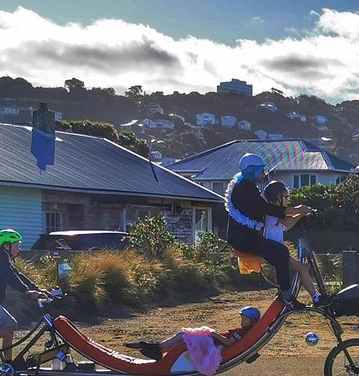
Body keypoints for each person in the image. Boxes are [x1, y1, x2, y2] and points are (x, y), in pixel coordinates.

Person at [224, 154, 313, 308]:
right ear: (251, 171)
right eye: (260, 170)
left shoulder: (247, 186)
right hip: (243, 239)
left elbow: (263, 208)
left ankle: (284, 293)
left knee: (280, 252)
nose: (263, 174)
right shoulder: (245, 188)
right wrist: (294, 209)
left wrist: (291, 212)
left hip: (246, 236)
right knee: (280, 251)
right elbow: (264, 208)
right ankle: (286, 296)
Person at [0, 229, 51, 365]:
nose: (19, 249)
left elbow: (18, 275)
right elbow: (10, 277)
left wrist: (36, 289)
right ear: (7, 245)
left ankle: (8, 363)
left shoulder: (4, 258)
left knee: (8, 330)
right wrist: (27, 292)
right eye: (17, 245)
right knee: (11, 324)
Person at [125, 305, 262, 362]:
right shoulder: (246, 331)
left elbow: (228, 342)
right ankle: (157, 348)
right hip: (213, 342)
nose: (242, 321)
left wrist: (215, 334)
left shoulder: (243, 333)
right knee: (182, 337)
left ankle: (157, 348)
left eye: (245, 319)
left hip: (213, 344)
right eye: (242, 319)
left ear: (252, 321)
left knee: (182, 336)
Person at [261, 180, 320, 304]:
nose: (288, 200)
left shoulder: (274, 212)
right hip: (274, 251)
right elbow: (288, 220)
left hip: (275, 251)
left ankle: (306, 296)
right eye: (286, 197)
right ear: (278, 196)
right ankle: (316, 297)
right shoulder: (273, 210)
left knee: (302, 268)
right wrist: (302, 212)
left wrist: (301, 215)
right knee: (303, 268)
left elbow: (285, 226)